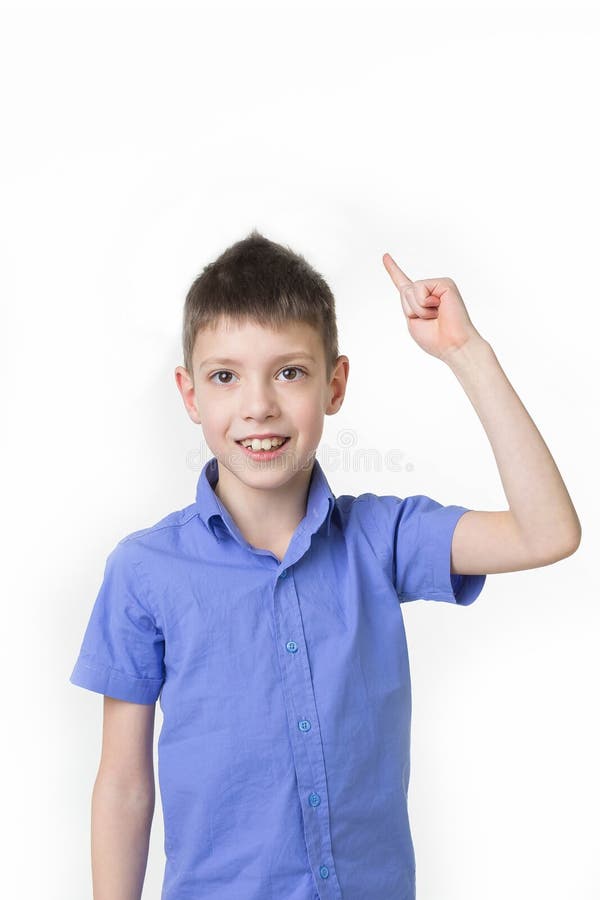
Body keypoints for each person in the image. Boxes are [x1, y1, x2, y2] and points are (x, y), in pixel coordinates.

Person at [69, 229, 581, 900]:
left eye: (290, 371)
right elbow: (125, 787)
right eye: (225, 375)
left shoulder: (382, 537)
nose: (259, 404)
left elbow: (548, 533)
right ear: (190, 394)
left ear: (334, 384)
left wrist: (465, 352)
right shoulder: (144, 571)